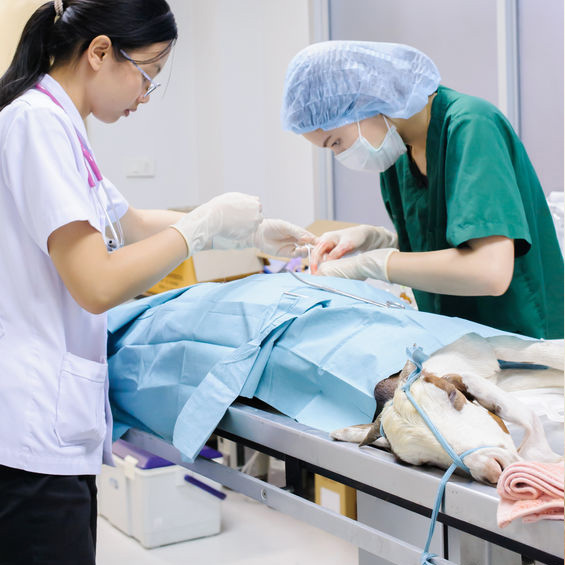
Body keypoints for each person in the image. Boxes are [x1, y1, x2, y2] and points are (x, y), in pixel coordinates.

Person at [0, 1, 314, 563]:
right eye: (147, 75)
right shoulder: (36, 123)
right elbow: (96, 283)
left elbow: (130, 224)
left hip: (45, 428)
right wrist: (200, 229)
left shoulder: (63, 126)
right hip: (28, 431)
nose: (145, 96)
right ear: (100, 52)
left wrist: (246, 233)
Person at [281, 40, 564, 339]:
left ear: (365, 102)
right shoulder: (397, 152)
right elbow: (441, 244)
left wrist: (373, 264)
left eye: (336, 142)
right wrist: (372, 240)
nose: (340, 155)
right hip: (462, 338)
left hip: (525, 340)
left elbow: (490, 271)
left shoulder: (471, 125)